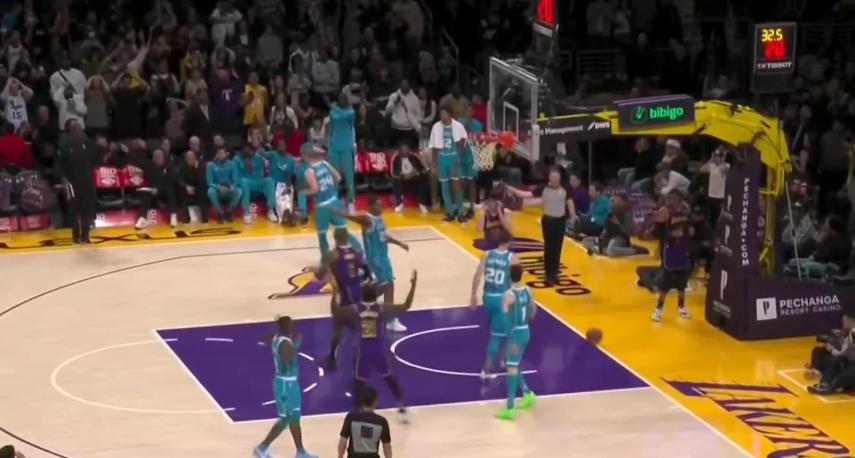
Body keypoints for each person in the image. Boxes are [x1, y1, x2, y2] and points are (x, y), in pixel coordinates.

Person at [333, 272, 418, 423]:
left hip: (363, 351)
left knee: (358, 382)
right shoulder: (381, 308)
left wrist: (335, 293)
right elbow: (406, 305)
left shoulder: (356, 308)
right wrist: (413, 286)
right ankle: (401, 405)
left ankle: (357, 411)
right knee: (389, 378)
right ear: (375, 295)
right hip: (378, 350)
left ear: (362, 295)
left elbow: (336, 312)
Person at [336, 195, 411, 333]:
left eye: (381, 205)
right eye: (377, 205)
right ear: (370, 207)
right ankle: (391, 321)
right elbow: (352, 217)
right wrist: (336, 211)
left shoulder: (379, 218)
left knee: (384, 286)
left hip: (384, 257)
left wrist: (399, 243)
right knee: (389, 286)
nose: (380, 207)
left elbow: (384, 236)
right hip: (376, 259)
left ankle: (361, 300)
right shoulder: (367, 219)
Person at [253, 316, 318, 458]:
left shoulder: (278, 338)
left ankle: (300, 451)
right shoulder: (283, 342)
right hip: (285, 385)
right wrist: (297, 344)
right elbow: (287, 357)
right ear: (286, 327)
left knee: (293, 418)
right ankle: (262, 447)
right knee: (286, 418)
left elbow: (268, 339)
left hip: (289, 384)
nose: (293, 326)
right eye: (290, 324)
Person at [505, 168, 573, 285]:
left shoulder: (565, 188)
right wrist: (513, 190)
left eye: (557, 177)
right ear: (549, 177)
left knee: (557, 248)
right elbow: (526, 194)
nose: (555, 179)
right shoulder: (543, 188)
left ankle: (554, 272)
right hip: (548, 220)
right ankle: (549, 274)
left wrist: (573, 215)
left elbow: (569, 201)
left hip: (560, 221)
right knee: (549, 247)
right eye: (553, 177)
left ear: (560, 178)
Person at [314, 227, 367, 371]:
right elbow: (365, 271)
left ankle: (333, 359)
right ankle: (367, 351)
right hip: (357, 292)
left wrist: (319, 272)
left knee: (341, 323)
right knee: (352, 322)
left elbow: (320, 275)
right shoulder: (356, 252)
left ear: (335, 239)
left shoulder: (333, 254)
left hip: (344, 294)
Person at [470, 229, 518, 380]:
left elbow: (477, 275)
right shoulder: (512, 258)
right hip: (502, 299)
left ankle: (504, 358)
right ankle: (486, 371)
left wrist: (473, 295)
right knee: (498, 335)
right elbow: (516, 282)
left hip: (487, 298)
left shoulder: (487, 254)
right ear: (508, 241)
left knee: (503, 329)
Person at [495, 264, 537, 420]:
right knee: (512, 363)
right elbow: (533, 310)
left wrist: (509, 338)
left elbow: (504, 316)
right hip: (525, 329)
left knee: (511, 367)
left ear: (508, 276)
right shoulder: (527, 290)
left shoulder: (508, 294)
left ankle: (510, 408)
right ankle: (527, 393)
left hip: (515, 334)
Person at [302, 143, 351, 260]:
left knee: (322, 237)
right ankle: (344, 258)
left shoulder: (309, 171)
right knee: (342, 233)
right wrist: (331, 189)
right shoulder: (325, 163)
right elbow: (338, 177)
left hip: (322, 207)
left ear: (305, 155)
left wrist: (303, 192)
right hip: (335, 202)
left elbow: (315, 189)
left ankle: (326, 262)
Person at [651, 190, 692, 322]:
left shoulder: (686, 212)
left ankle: (681, 306)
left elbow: (689, 230)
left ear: (679, 200)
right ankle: (658, 309)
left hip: (682, 250)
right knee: (666, 284)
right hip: (669, 250)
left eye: (671, 199)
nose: (668, 202)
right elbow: (656, 232)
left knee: (682, 283)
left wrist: (688, 233)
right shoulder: (664, 213)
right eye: (668, 199)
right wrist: (670, 235)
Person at [55, 120, 97, 244]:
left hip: (87, 183)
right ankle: (76, 236)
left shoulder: (90, 145)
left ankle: (85, 236)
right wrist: (63, 179)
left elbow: (95, 162)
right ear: (71, 132)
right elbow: (59, 166)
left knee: (87, 210)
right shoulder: (65, 147)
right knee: (73, 210)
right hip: (71, 184)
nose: (77, 132)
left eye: (79, 129)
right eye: (75, 130)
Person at [429, 106, 467, 222]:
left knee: (456, 186)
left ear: (450, 115)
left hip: (453, 157)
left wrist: (457, 162)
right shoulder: (436, 127)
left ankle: (461, 213)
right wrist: (434, 164)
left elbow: (462, 145)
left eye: (444, 114)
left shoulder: (458, 126)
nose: (442, 116)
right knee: (444, 186)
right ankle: (450, 212)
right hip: (441, 158)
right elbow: (434, 146)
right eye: (441, 114)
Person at [808, 310, 855, 395]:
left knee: (849, 371)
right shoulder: (848, 333)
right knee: (834, 360)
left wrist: (832, 350)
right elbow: (845, 351)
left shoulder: (852, 334)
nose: (843, 322)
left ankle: (832, 387)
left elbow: (845, 351)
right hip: (850, 361)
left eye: (846, 320)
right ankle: (825, 383)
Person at [338, 387, 392, 458]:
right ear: (375, 402)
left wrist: (340, 456)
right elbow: (387, 446)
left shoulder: (351, 418)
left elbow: (343, 442)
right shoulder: (381, 422)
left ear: (361, 402)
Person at [235, 137, 277, 225]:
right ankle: (246, 212)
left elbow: (260, 176)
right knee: (243, 181)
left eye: (249, 150)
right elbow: (237, 177)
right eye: (245, 150)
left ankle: (270, 210)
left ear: (252, 151)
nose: (247, 152)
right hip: (245, 185)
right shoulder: (237, 160)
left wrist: (252, 168)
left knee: (269, 180)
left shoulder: (258, 158)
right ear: (241, 152)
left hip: (257, 183)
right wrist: (245, 167)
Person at [134, 148, 179, 229]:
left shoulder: (169, 166)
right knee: (145, 193)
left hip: (164, 191)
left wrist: (158, 189)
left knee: (170, 190)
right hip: (152, 190)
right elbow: (136, 161)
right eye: (155, 156)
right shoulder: (148, 165)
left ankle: (173, 215)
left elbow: (171, 181)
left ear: (163, 157)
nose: (157, 158)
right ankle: (142, 219)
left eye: (159, 156)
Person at [328, 94, 356, 209]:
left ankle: (351, 201)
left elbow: (345, 117)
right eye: (340, 99)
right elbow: (331, 127)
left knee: (349, 177)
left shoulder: (350, 112)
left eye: (344, 99)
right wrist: (329, 145)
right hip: (334, 148)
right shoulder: (332, 112)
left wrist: (334, 108)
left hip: (346, 148)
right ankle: (334, 199)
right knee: (334, 176)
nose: (342, 101)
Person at [390, 140, 429, 213]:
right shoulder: (395, 157)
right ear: (399, 150)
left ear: (409, 149)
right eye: (403, 149)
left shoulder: (414, 156)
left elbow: (424, 169)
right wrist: (404, 176)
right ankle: (399, 204)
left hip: (414, 177)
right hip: (402, 178)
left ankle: (422, 204)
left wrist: (415, 173)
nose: (405, 151)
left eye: (406, 149)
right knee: (396, 181)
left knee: (423, 179)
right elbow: (393, 173)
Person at [207, 146, 242, 223]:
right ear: (216, 155)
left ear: (226, 154)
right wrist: (217, 187)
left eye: (222, 153)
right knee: (210, 191)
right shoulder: (211, 165)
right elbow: (209, 182)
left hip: (229, 189)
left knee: (238, 190)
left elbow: (236, 180)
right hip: (217, 190)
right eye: (219, 153)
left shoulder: (232, 164)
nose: (221, 155)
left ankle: (229, 212)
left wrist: (233, 186)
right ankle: (220, 213)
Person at [177, 149, 209, 223]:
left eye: (192, 157)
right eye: (188, 157)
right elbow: (179, 180)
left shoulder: (200, 166)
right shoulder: (181, 167)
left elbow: (202, 180)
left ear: (195, 157)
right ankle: (186, 216)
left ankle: (204, 215)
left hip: (197, 188)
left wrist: (196, 169)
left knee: (203, 188)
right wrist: (186, 187)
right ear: (185, 158)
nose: (190, 158)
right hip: (186, 189)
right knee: (180, 189)